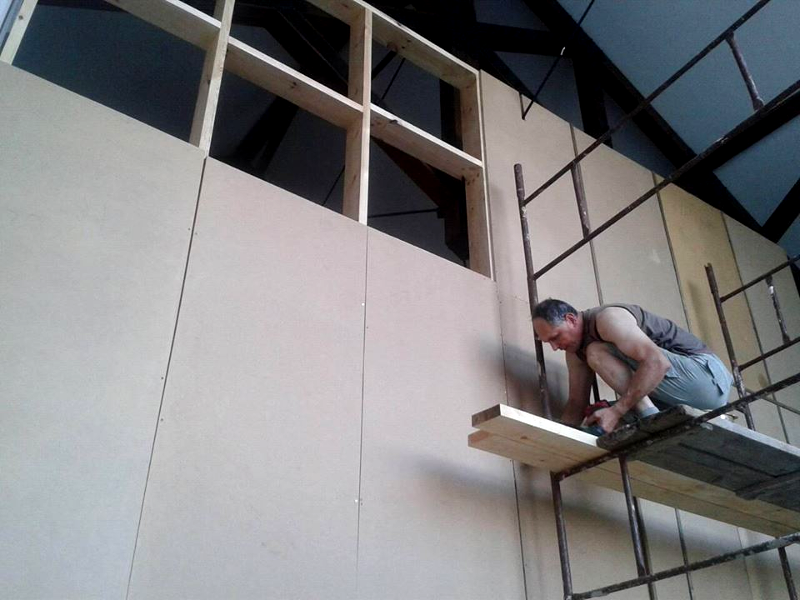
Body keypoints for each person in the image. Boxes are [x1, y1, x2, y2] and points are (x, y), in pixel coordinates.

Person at [531, 299, 733, 434]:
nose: (554, 347)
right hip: (677, 395)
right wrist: (560, 436)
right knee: (597, 418)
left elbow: (657, 363)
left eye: (555, 337)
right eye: (548, 342)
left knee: (596, 352)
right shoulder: (574, 351)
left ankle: (649, 415)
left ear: (571, 319)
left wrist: (617, 411)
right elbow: (576, 403)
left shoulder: (608, 319)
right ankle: (649, 413)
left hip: (706, 379)